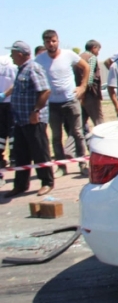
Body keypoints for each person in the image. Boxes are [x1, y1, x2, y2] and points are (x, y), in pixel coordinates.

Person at [35, 30, 89, 177]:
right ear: (44, 43)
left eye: (53, 41)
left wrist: (83, 86)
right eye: (47, 41)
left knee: (78, 133)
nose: (51, 44)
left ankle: (83, 163)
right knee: (56, 136)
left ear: (58, 41)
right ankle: (61, 166)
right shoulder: (40, 59)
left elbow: (85, 67)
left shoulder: (68, 54)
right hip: (52, 104)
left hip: (71, 100)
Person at [3, 41, 53, 198]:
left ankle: (47, 182)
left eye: (12, 52)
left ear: (19, 53)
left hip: (33, 120)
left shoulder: (33, 68)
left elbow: (45, 91)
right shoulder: (21, 70)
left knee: (40, 152)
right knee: (21, 154)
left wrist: (35, 111)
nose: (11, 56)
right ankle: (21, 184)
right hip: (20, 120)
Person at [79, 39, 104, 132]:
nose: (98, 53)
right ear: (94, 48)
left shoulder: (78, 57)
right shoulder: (92, 57)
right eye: (98, 50)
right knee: (99, 123)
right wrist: (85, 90)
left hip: (79, 95)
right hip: (90, 94)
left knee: (79, 125)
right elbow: (89, 78)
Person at [0, 55, 16, 174]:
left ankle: (10, 158)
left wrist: (4, 94)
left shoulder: (10, 64)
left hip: (9, 102)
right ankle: (12, 159)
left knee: (9, 132)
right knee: (10, 133)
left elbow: (16, 84)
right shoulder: (12, 64)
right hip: (9, 102)